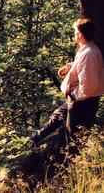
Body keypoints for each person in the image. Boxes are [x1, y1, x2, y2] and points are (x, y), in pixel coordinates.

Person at [29, 18, 104, 146]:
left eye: (75, 31)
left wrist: (73, 95)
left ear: (80, 34)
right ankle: (34, 139)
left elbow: (89, 87)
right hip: (78, 99)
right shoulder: (86, 49)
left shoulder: (89, 53)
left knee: (74, 137)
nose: (74, 34)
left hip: (82, 102)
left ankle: (73, 163)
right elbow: (82, 67)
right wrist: (70, 67)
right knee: (57, 116)